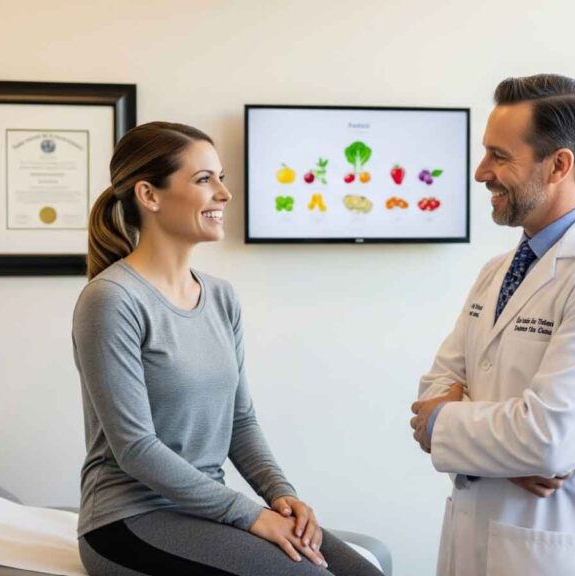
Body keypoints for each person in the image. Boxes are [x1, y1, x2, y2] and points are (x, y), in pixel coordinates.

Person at [72, 121, 381, 576]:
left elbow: (239, 421)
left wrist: (281, 495)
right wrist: (251, 515)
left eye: (221, 177)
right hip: (128, 520)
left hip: (201, 510)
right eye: (204, 180)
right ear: (149, 195)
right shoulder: (112, 299)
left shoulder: (220, 297)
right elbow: (135, 447)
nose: (224, 193)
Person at [410, 75, 575, 576]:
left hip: (561, 546)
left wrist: (450, 424)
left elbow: (550, 439)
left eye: (499, 156)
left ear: (559, 165)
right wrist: (503, 448)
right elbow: (431, 392)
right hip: (477, 534)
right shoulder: (497, 271)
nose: (481, 172)